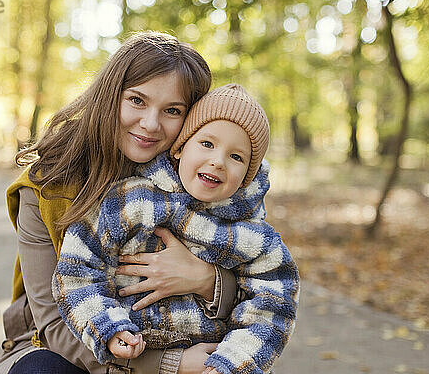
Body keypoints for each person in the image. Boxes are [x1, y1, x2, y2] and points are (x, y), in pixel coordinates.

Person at [0, 32, 243, 374]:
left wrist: (206, 280)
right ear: (111, 96)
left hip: (183, 339)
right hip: (70, 352)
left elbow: (261, 289)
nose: (150, 124)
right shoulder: (46, 187)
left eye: (172, 110)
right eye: (137, 100)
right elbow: (53, 324)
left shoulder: (204, 179)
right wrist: (169, 365)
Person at [53, 84, 300, 373]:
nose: (217, 161)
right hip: (130, 359)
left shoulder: (256, 239)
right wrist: (108, 327)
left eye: (236, 157)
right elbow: (77, 270)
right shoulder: (131, 201)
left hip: (209, 361)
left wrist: (233, 362)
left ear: (247, 175)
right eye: (207, 144)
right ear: (181, 148)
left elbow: (272, 308)